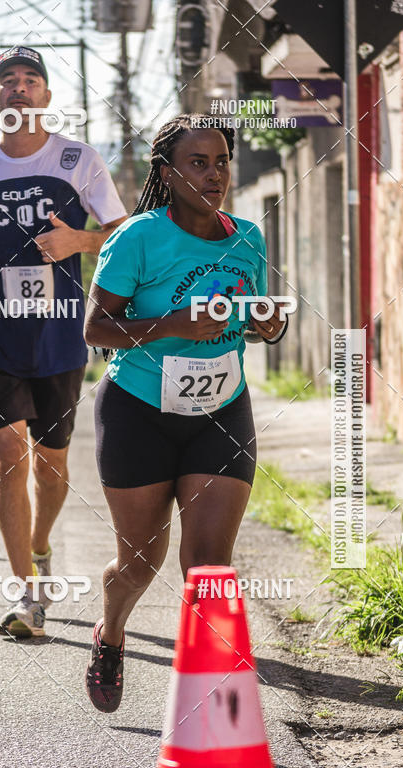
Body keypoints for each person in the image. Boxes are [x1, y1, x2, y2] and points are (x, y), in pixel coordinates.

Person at [83, 113, 287, 712]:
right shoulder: (138, 237)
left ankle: (210, 705)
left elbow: (247, 318)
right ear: (167, 173)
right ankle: (112, 632)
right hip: (138, 410)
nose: (215, 173)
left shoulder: (247, 234)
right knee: (139, 561)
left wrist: (267, 324)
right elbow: (96, 328)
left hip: (221, 410)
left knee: (208, 565)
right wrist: (170, 325)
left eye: (222, 160)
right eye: (198, 162)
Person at [0, 46, 126, 638]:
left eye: (31, 80)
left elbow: (123, 231)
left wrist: (80, 244)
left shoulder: (78, 158)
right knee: (9, 455)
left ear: (46, 96)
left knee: (52, 460)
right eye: (7, 81)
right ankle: (28, 596)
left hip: (61, 331)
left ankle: (41, 544)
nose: (19, 88)